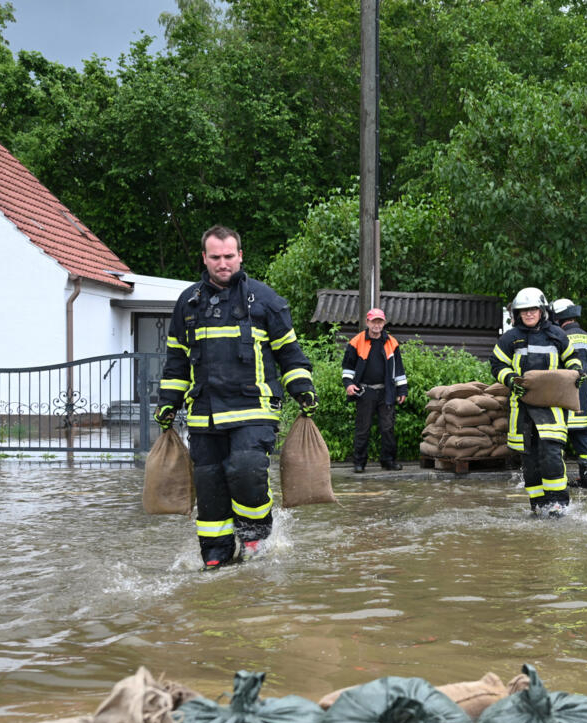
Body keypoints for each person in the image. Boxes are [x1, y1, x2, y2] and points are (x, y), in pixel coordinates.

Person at [154, 225, 317, 569]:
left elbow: (290, 353)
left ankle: (255, 537)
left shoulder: (265, 301)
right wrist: (168, 400)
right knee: (210, 487)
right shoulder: (188, 303)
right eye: (216, 257)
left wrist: (302, 388)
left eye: (229, 256)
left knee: (246, 470)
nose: (223, 263)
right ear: (204, 258)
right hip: (205, 416)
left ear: (240, 255)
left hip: (253, 409)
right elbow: (177, 362)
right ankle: (216, 557)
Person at [491, 287, 585, 517]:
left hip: (552, 407)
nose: (529, 314)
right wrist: (510, 379)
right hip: (522, 409)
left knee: (552, 455)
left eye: (533, 309)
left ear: (541, 310)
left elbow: (573, 358)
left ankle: (559, 504)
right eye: (524, 310)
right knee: (530, 461)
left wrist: (576, 372)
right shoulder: (510, 338)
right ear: (518, 314)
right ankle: (538, 505)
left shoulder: (556, 334)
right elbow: (497, 365)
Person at [342, 307, 408, 472]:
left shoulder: (392, 342)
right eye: (374, 321)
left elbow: (399, 369)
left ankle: (388, 462)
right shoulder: (356, 341)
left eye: (380, 321)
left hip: (386, 391)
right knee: (363, 428)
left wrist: (402, 391)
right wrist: (349, 384)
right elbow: (347, 367)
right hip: (365, 391)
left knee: (388, 428)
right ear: (368, 322)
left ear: (384, 323)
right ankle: (359, 463)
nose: (377, 325)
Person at [552, 298, 587, 488]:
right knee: (584, 439)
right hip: (583, 401)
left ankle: (557, 480)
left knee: (556, 441)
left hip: (562, 400)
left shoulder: (559, 338)